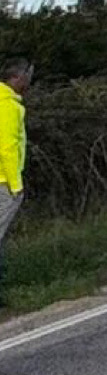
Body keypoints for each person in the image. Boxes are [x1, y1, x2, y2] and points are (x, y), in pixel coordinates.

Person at [0, 58, 30, 307]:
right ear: (16, 78)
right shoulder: (8, 106)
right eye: (27, 76)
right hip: (3, 182)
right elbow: (7, 147)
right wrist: (16, 184)